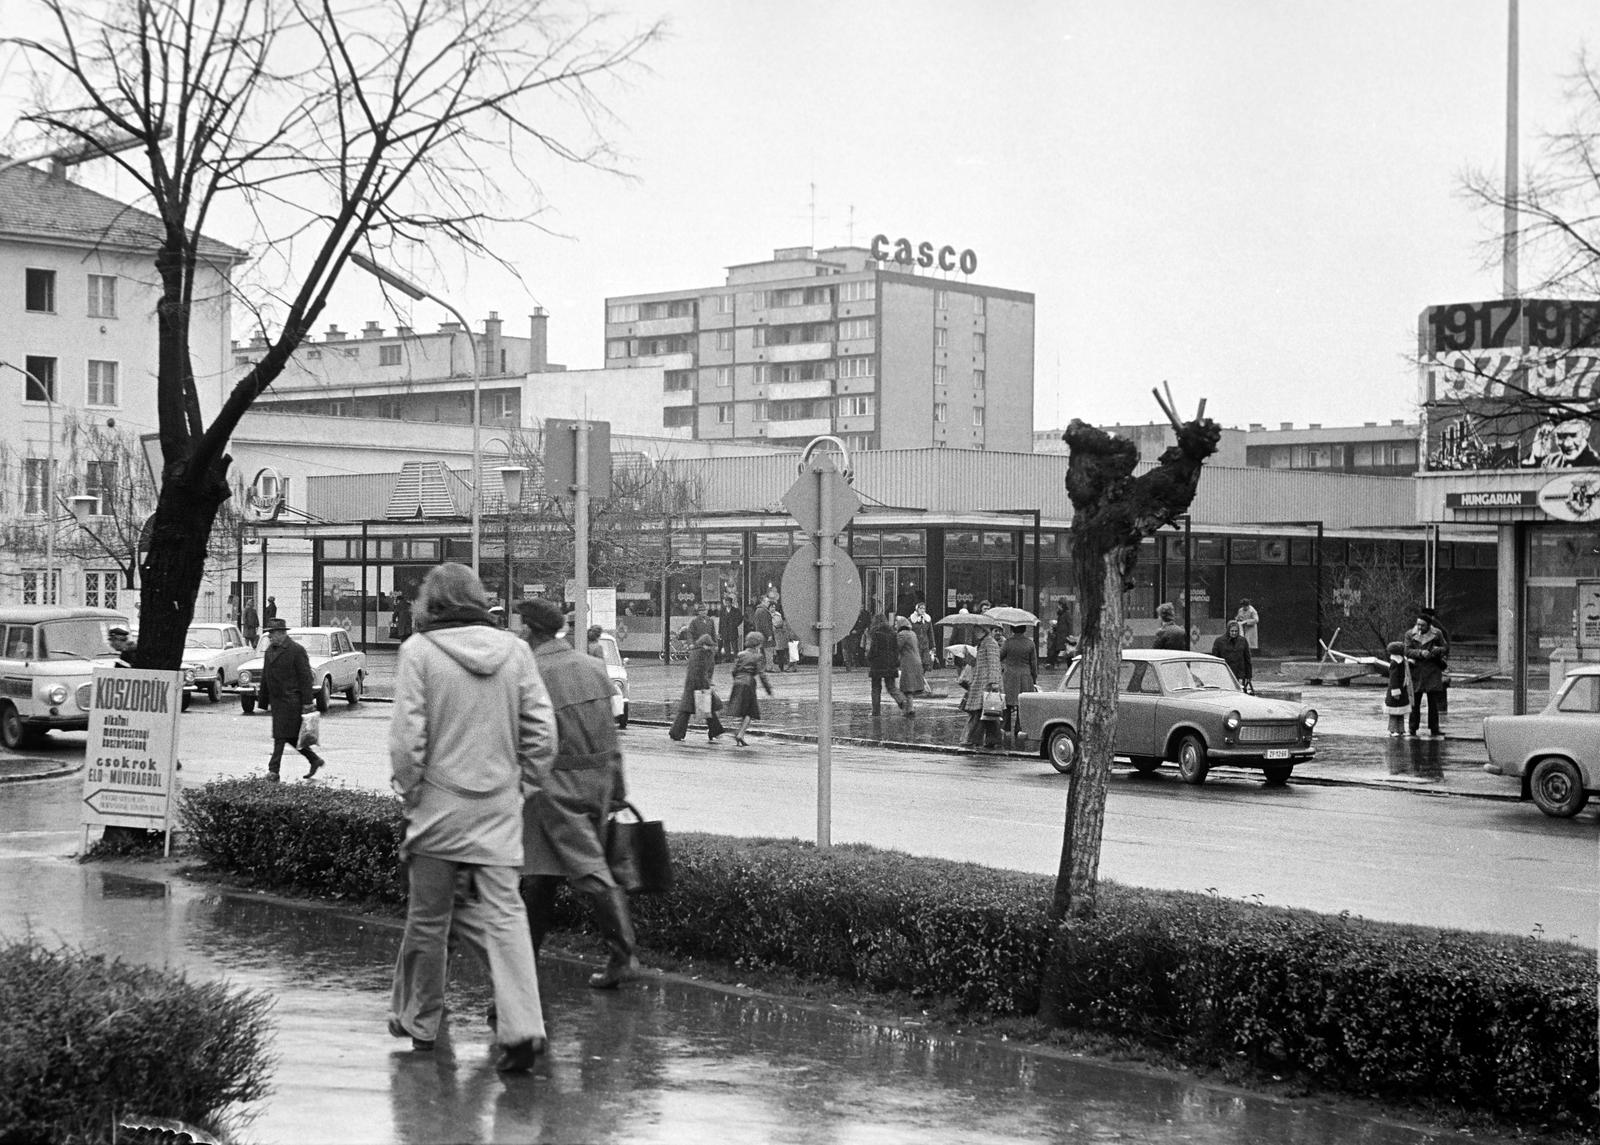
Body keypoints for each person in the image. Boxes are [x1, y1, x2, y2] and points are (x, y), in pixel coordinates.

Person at [388, 564, 551, 1072]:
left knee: (429, 921)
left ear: (430, 603)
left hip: (437, 810)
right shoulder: (516, 651)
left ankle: (422, 1023)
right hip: (499, 811)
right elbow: (543, 738)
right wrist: (519, 787)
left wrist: (411, 793)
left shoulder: (418, 653)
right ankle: (522, 1027)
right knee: (506, 918)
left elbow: (406, 743)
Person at [516, 597, 643, 991]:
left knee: (587, 873)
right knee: (538, 881)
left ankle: (624, 955)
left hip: (555, 789)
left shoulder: (531, 673)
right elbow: (611, 733)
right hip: (598, 783)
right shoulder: (592, 667)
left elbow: (526, 740)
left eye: (521, 626)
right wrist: (617, 788)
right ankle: (520, 979)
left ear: (532, 630)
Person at [259, 618, 326, 781]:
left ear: (282, 634)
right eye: (269, 633)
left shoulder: (296, 650)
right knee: (289, 737)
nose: (269, 636)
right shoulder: (269, 651)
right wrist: (262, 699)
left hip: (292, 701)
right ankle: (314, 759)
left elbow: (305, 678)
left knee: (280, 736)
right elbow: (265, 676)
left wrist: (308, 703)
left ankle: (273, 771)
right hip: (277, 702)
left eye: (272, 633)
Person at [670, 633, 727, 742]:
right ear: (704, 644)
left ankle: (676, 733)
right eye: (708, 645)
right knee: (704, 707)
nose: (710, 647)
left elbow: (705, 670)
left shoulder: (701, 653)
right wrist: (705, 685)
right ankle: (715, 731)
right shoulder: (700, 654)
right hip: (696, 685)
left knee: (692, 709)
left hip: (694, 684)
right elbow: (699, 671)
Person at [1404, 609, 1449, 737]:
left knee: (1433, 703)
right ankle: (1412, 728)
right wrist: (1419, 653)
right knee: (1415, 702)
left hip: (1432, 671)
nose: (1419, 627)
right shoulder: (1409, 634)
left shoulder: (1437, 633)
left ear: (1429, 625)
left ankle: (1434, 729)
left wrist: (1437, 650)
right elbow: (1407, 651)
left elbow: (1445, 648)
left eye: (1422, 625)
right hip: (1416, 671)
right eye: (1418, 624)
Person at [959, 624, 1004, 750]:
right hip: (981, 682)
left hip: (986, 683)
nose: (975, 632)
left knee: (981, 711)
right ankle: (993, 740)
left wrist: (994, 682)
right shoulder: (984, 642)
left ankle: (972, 739)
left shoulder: (990, 643)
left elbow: (994, 663)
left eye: (977, 629)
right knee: (988, 713)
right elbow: (979, 662)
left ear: (984, 630)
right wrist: (967, 656)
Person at [726, 631, 774, 746]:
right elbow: (761, 674)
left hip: (738, 682)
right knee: (750, 712)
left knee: (741, 709)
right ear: (758, 644)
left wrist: (737, 679)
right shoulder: (758, 656)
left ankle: (739, 732)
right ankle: (740, 734)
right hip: (749, 684)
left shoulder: (741, 654)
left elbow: (734, 670)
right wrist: (768, 689)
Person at [866, 615, 910, 717]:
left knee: (876, 688)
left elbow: (873, 650)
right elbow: (896, 650)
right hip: (890, 664)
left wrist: (869, 658)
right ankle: (903, 701)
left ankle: (875, 712)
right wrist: (895, 661)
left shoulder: (875, 634)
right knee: (891, 687)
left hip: (877, 664)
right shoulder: (893, 633)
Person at [999, 623, 1038, 736]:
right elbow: (1033, 663)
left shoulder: (1008, 643)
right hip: (1025, 677)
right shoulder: (1030, 644)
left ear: (1012, 629)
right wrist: (1034, 678)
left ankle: (1005, 729)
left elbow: (1000, 656)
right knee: (1022, 704)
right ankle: (1019, 728)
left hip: (1009, 677)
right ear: (1024, 629)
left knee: (1007, 705)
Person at [1209, 620, 1253, 691]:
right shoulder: (1219, 641)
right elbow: (1215, 658)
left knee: (1240, 691)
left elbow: (1247, 658)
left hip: (1239, 672)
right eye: (1232, 631)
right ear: (1228, 630)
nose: (1234, 633)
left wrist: (1249, 675)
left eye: (1236, 631)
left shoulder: (1242, 641)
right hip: (1225, 671)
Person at [896, 617, 926, 710]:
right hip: (916, 661)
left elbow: (897, 647)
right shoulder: (912, 633)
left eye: (896, 624)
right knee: (909, 687)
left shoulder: (902, 634)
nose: (895, 625)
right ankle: (910, 708)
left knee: (907, 687)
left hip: (908, 662)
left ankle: (910, 709)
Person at [1383, 641, 1410, 737]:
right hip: (1396, 691)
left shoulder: (1401, 661)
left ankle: (1400, 729)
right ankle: (1393, 729)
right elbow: (1393, 679)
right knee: (1394, 713)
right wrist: (1396, 692)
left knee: (1399, 711)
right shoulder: (1395, 663)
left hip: (1400, 690)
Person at [843, 606, 871, 672]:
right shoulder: (851, 613)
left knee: (854, 648)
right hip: (849, 634)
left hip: (857, 634)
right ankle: (850, 664)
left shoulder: (865, 614)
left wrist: (858, 631)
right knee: (847, 649)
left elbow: (866, 624)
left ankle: (854, 663)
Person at [909, 602, 935, 672]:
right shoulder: (911, 619)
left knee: (925, 663)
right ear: (917, 609)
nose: (922, 610)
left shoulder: (927, 619)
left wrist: (933, 646)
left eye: (924, 608)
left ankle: (922, 677)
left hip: (925, 644)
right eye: (921, 608)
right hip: (915, 644)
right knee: (916, 662)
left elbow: (930, 633)